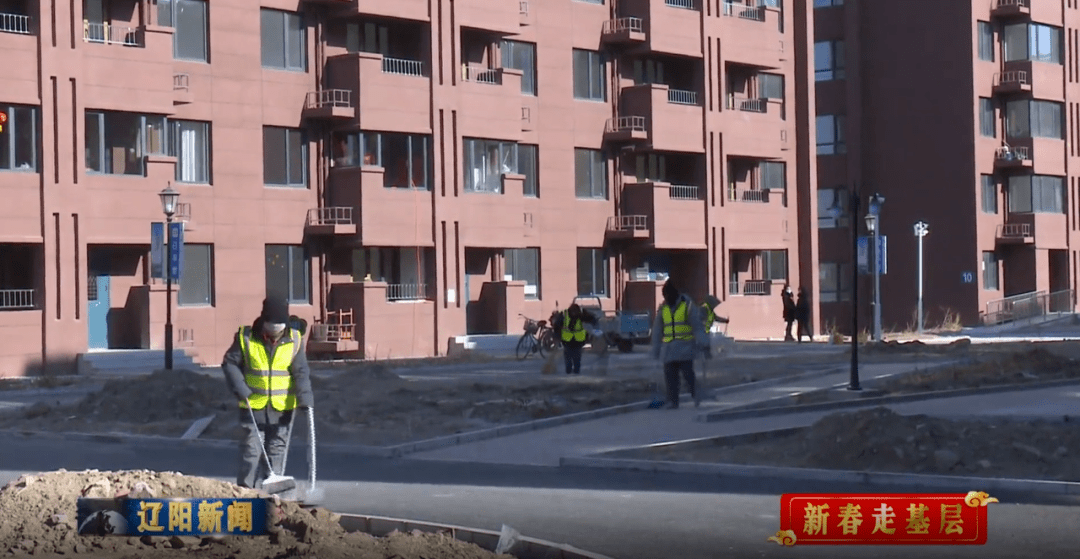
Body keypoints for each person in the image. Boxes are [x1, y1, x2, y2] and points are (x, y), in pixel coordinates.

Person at [221, 295, 314, 489]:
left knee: (276, 451)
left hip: (282, 410)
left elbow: (301, 371)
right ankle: (245, 494)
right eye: (272, 324)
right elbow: (230, 363)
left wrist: (305, 397)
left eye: (279, 325)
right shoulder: (246, 337)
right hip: (252, 405)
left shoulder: (294, 340)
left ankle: (272, 496)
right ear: (264, 321)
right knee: (251, 451)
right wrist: (240, 388)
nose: (275, 330)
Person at [651, 280, 709, 409]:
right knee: (670, 377)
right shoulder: (663, 309)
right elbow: (657, 331)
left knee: (688, 375)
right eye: (665, 296)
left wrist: (704, 343)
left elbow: (697, 326)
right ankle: (673, 401)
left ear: (675, 294)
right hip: (669, 349)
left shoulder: (687, 306)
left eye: (668, 295)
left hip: (685, 348)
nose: (667, 298)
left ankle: (696, 396)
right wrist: (655, 350)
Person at [553, 303, 596, 375]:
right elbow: (557, 325)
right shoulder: (566, 314)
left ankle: (573, 370)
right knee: (572, 356)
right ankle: (572, 370)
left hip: (575, 340)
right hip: (570, 340)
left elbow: (592, 319)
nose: (574, 314)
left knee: (573, 356)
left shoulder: (579, 314)